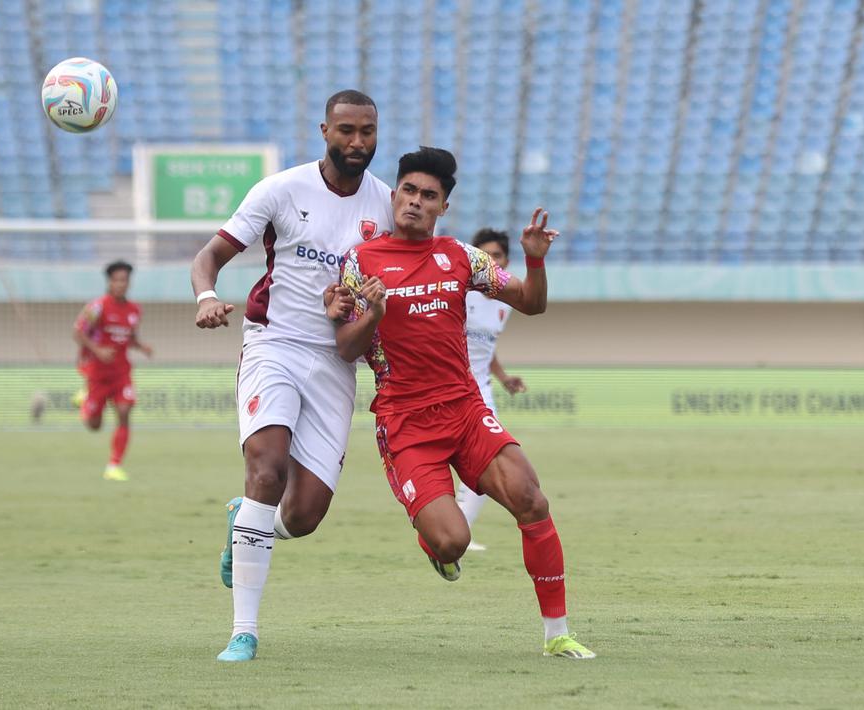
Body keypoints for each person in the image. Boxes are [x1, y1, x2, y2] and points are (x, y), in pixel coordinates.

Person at [334, 146, 594, 659]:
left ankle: (557, 634)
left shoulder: (460, 256)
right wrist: (372, 313)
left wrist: (535, 259)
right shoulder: (360, 261)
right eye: (408, 190)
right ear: (394, 195)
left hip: (466, 410)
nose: (414, 201)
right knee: (451, 541)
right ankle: (435, 539)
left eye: (428, 195)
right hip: (405, 423)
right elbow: (345, 346)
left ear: (443, 207)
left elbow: (530, 302)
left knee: (532, 500)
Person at [189, 90, 394, 662]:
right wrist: (207, 296)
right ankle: (243, 632)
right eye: (346, 130)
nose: (357, 142)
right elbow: (208, 257)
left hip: (336, 362)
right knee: (266, 469)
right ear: (324, 129)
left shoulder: (386, 205)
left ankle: (246, 521)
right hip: (273, 345)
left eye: (368, 132)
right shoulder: (281, 190)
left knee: (302, 517)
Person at [457, 229, 527, 551]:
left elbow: (488, 347)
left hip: (481, 392)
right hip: (449, 386)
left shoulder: (505, 302)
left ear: (506, 262)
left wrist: (503, 378)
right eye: (483, 255)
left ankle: (459, 532)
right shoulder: (460, 293)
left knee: (490, 461)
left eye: (496, 256)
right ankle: (445, 528)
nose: (489, 261)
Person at [73, 261, 152, 481]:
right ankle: (85, 401)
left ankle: (114, 465)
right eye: (116, 280)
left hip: (121, 372)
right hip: (98, 374)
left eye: (124, 280)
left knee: (125, 412)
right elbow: (78, 332)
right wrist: (97, 350)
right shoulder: (97, 307)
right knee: (94, 425)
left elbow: (129, 336)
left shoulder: (135, 310)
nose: (120, 284)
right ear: (109, 282)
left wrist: (141, 346)